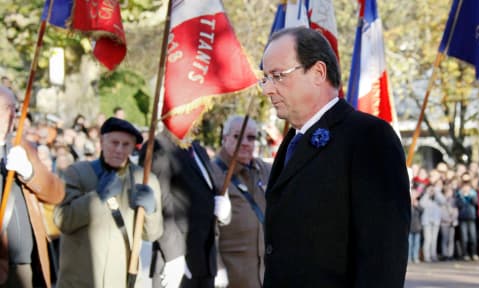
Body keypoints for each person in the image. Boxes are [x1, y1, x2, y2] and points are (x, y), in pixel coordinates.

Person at [259, 27, 410, 287]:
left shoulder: (368, 137)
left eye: (277, 76)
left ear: (318, 72)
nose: (267, 89)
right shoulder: (292, 143)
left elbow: (382, 257)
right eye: (266, 78)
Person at [54, 117, 163, 288]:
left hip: (124, 279)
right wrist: (97, 197)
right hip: (81, 279)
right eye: (114, 142)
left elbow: (152, 234)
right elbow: (62, 220)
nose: (119, 149)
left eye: (126, 144)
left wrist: (151, 211)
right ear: (102, 141)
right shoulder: (77, 173)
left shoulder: (144, 179)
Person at [139, 129, 231, 288]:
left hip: (205, 261)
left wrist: (225, 212)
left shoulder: (197, 149)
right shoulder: (159, 146)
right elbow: (160, 203)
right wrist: (173, 255)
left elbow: (208, 193)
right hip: (177, 261)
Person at [0, 85, 65, 288]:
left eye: (14, 108)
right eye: (5, 108)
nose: (11, 115)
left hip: (24, 267)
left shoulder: (24, 147)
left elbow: (57, 193)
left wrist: (30, 173)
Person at [212, 116, 271, 288]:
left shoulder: (264, 170)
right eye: (238, 137)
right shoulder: (212, 174)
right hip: (231, 277)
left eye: (251, 137)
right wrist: (216, 267)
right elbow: (201, 231)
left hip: (262, 276)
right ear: (225, 138)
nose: (245, 143)